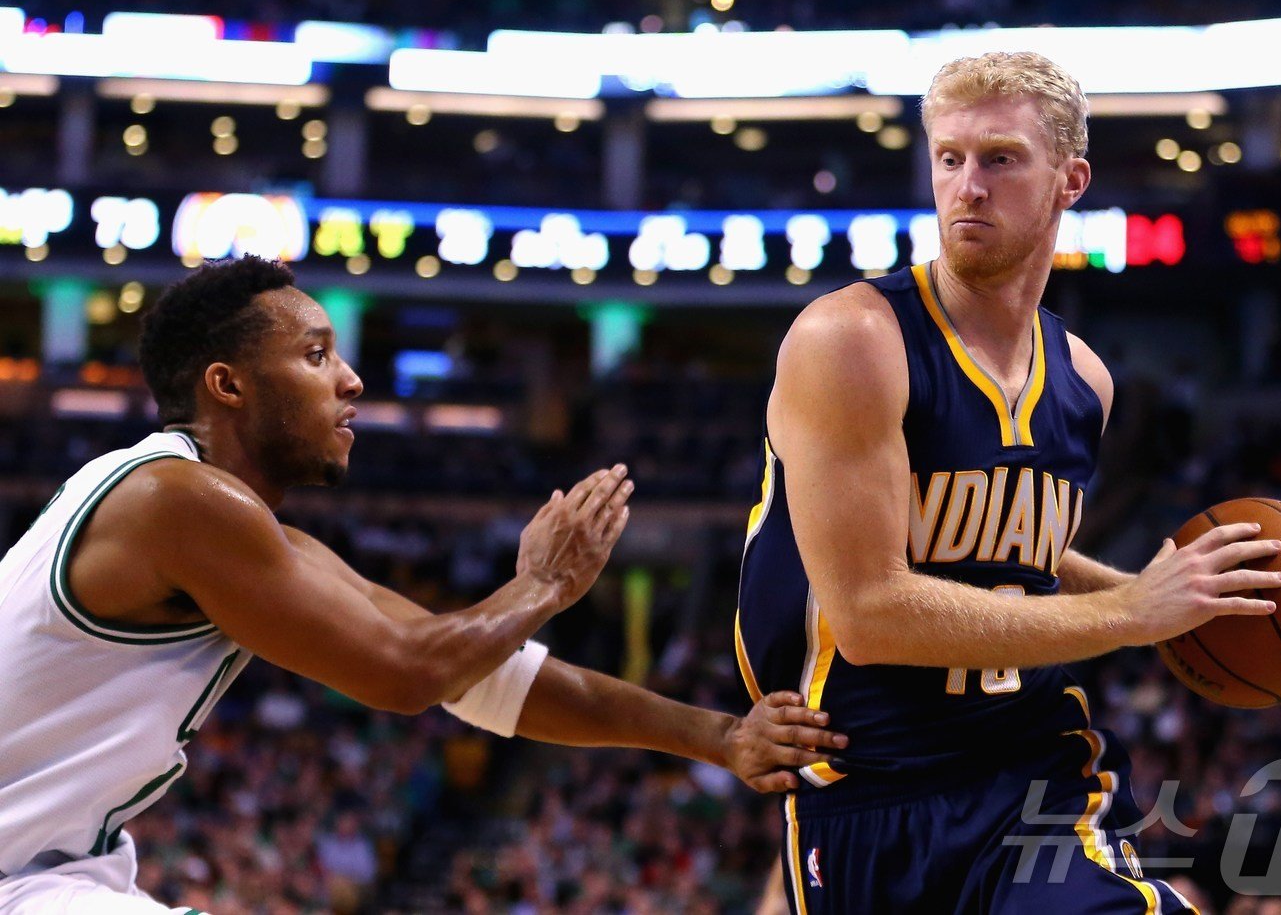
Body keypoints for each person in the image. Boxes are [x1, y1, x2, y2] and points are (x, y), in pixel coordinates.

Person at [0, 255, 846, 914]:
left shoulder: (227, 523)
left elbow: (469, 674)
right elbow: (403, 676)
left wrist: (722, 735)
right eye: (315, 354)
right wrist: (543, 585)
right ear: (228, 385)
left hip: (50, 870)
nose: (351, 380)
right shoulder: (177, 500)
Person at [736, 51, 1281, 913]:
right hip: (866, 789)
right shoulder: (849, 341)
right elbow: (869, 612)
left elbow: (1020, 552)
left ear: (1071, 179)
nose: (969, 186)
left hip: (1033, 770)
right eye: (949, 158)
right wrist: (1129, 613)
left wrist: (1159, 598)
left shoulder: (1087, 381)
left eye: (1000, 157)